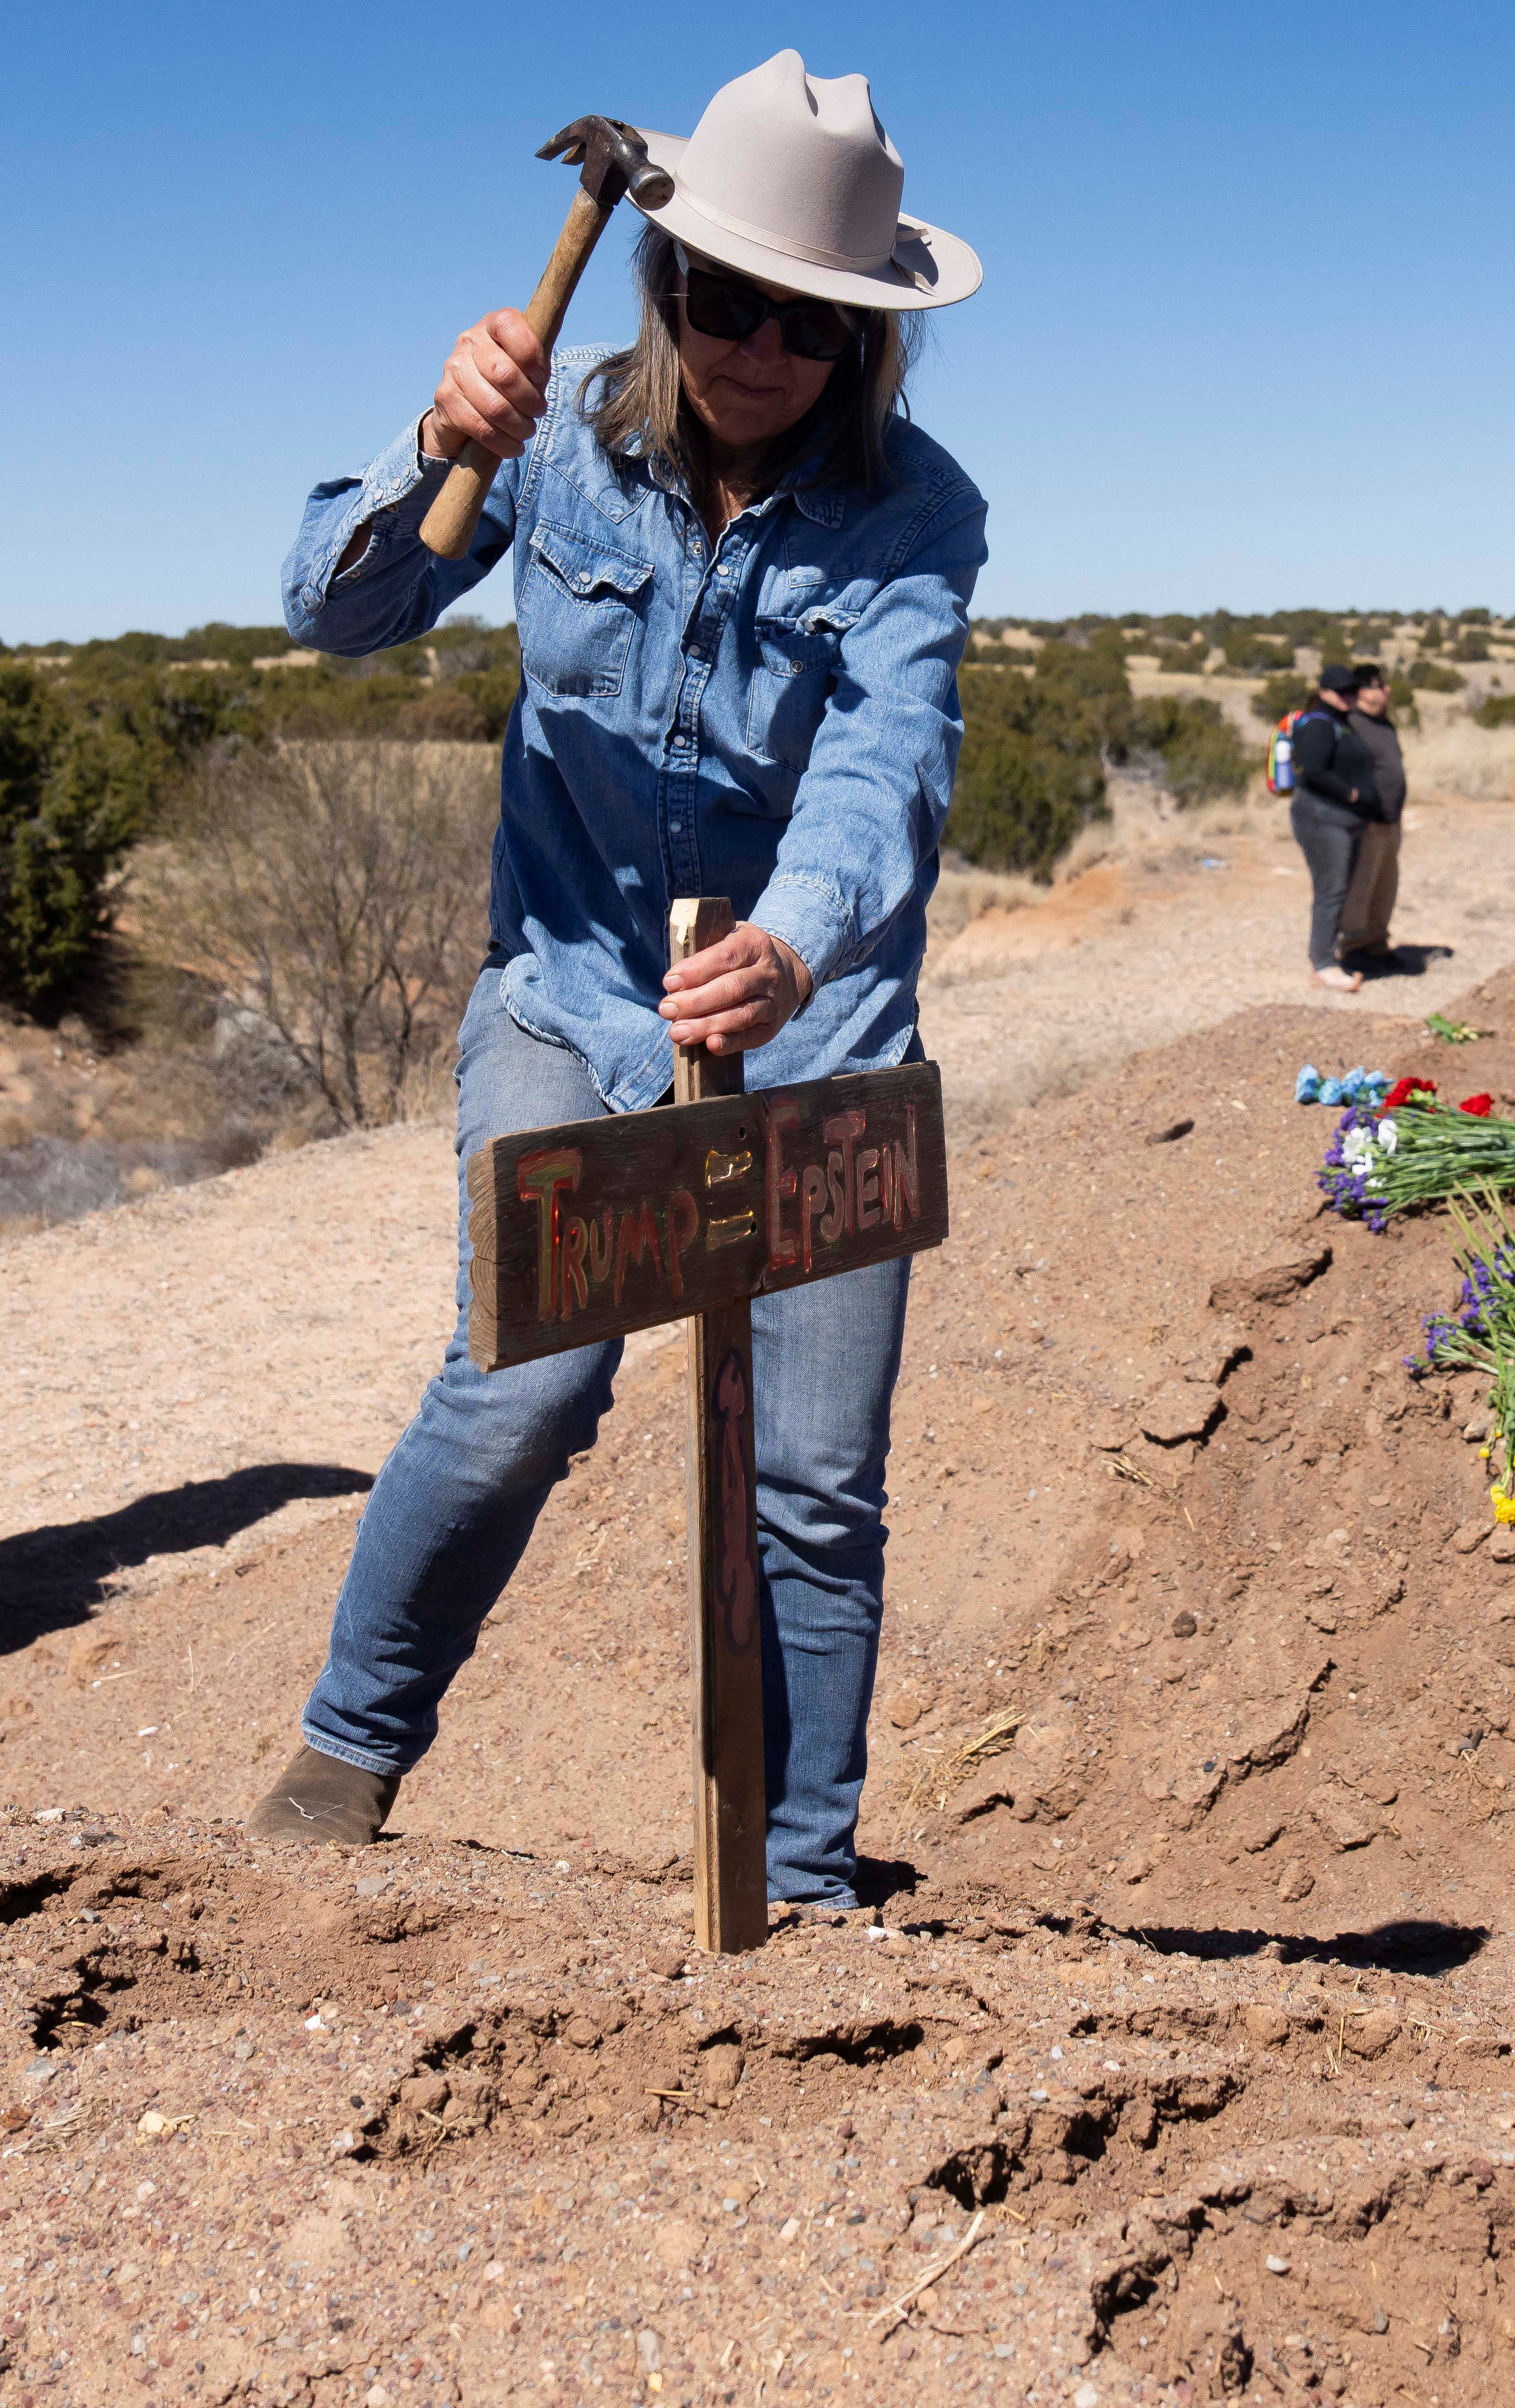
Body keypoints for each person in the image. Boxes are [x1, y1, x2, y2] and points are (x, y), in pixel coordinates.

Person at [253, 52, 985, 1912]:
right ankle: (347, 1754)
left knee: (811, 1481)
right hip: (573, 993)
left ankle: (804, 1880)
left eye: (802, 320)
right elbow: (334, 615)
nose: (752, 347)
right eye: (716, 299)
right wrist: (440, 445)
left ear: (862, 340)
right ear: (658, 284)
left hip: (813, 1030)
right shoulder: (561, 441)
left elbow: (888, 755)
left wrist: (795, 936)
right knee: (517, 1388)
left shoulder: (917, 512)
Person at [1286, 662, 1395, 993]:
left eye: (1353, 691)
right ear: (1323, 692)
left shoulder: (1341, 722)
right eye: (1341, 692)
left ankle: (1327, 958)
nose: (1348, 696)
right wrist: (1352, 794)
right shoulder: (1319, 724)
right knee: (1330, 891)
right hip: (1323, 819)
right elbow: (1314, 771)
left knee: (1338, 889)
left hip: (1344, 820)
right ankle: (1322, 965)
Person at [1336, 664, 1407, 971]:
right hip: (1365, 822)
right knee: (1361, 886)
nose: (1387, 691)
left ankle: (1377, 944)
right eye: (1380, 686)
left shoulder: (1385, 725)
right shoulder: (1351, 725)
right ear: (1363, 692)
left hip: (1390, 821)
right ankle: (1354, 947)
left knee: (1386, 885)